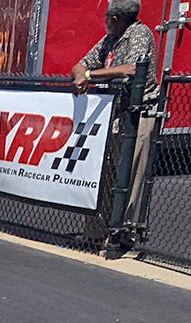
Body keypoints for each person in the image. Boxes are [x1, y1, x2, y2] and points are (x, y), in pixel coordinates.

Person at [72, 0, 159, 228]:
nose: (105, 22)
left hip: (140, 111)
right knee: (103, 172)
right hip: (114, 112)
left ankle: (122, 231)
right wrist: (81, 74)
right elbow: (81, 64)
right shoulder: (110, 39)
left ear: (116, 19)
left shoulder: (139, 33)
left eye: (107, 18)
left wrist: (90, 76)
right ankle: (95, 232)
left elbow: (132, 68)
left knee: (130, 174)